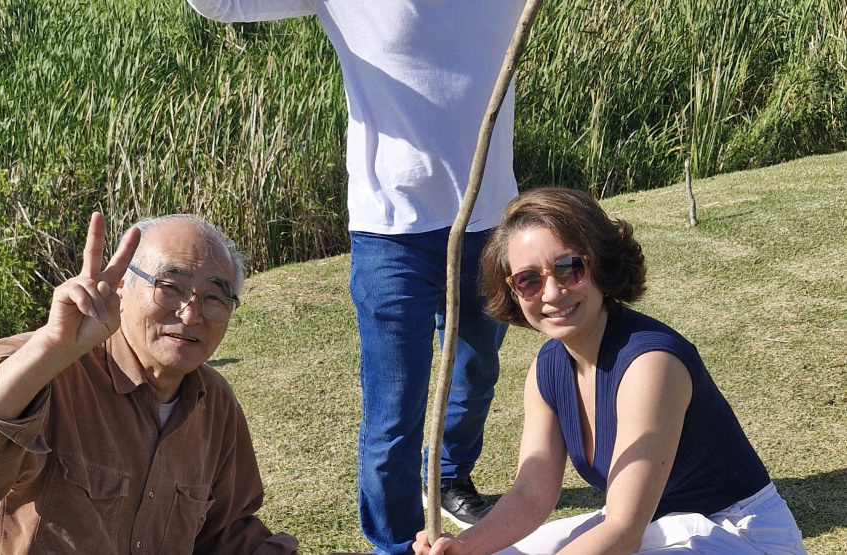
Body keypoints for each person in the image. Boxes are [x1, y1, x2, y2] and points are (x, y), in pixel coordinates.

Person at [185, 2, 524, 553]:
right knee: (393, 410)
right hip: (390, 233)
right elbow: (218, 4)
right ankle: (393, 543)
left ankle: (450, 477)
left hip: (491, 225)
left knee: (476, 371)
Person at [413, 187, 807, 555]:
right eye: (528, 280)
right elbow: (530, 497)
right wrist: (464, 547)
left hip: (741, 534)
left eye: (569, 268)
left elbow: (622, 529)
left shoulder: (650, 365)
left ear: (600, 263)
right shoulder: (546, 371)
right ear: (513, 291)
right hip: (661, 529)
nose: (551, 293)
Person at [0, 213, 299, 554]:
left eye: (214, 298)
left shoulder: (214, 402)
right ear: (122, 286)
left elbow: (225, 534)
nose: (190, 314)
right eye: (170, 287)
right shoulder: (45, 365)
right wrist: (50, 348)